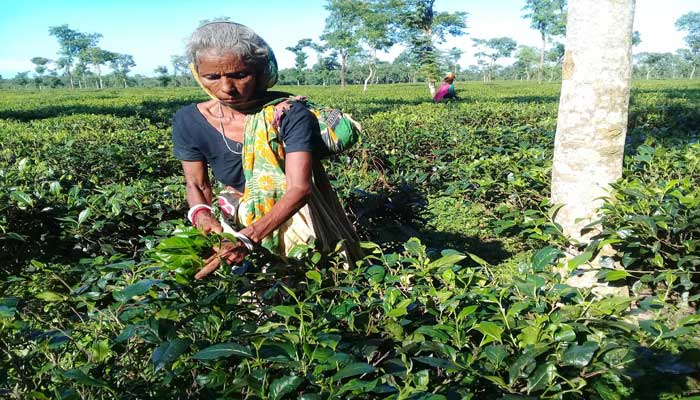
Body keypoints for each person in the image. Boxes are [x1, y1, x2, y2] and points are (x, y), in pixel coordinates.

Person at [171, 21, 359, 279]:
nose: (226, 88)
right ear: (198, 74)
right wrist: (203, 219)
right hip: (236, 217)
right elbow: (196, 184)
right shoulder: (188, 120)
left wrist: (249, 238)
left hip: (295, 218)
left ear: (259, 72)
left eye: (239, 75)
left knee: (312, 285)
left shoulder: (287, 114)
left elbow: (298, 188)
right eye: (212, 77)